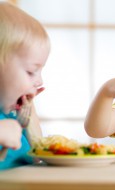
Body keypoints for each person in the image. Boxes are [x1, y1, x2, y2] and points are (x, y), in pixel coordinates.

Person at [0, 2, 50, 170]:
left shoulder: (12, 114)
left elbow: (37, 159)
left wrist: (31, 123)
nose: (40, 81)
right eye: (30, 72)